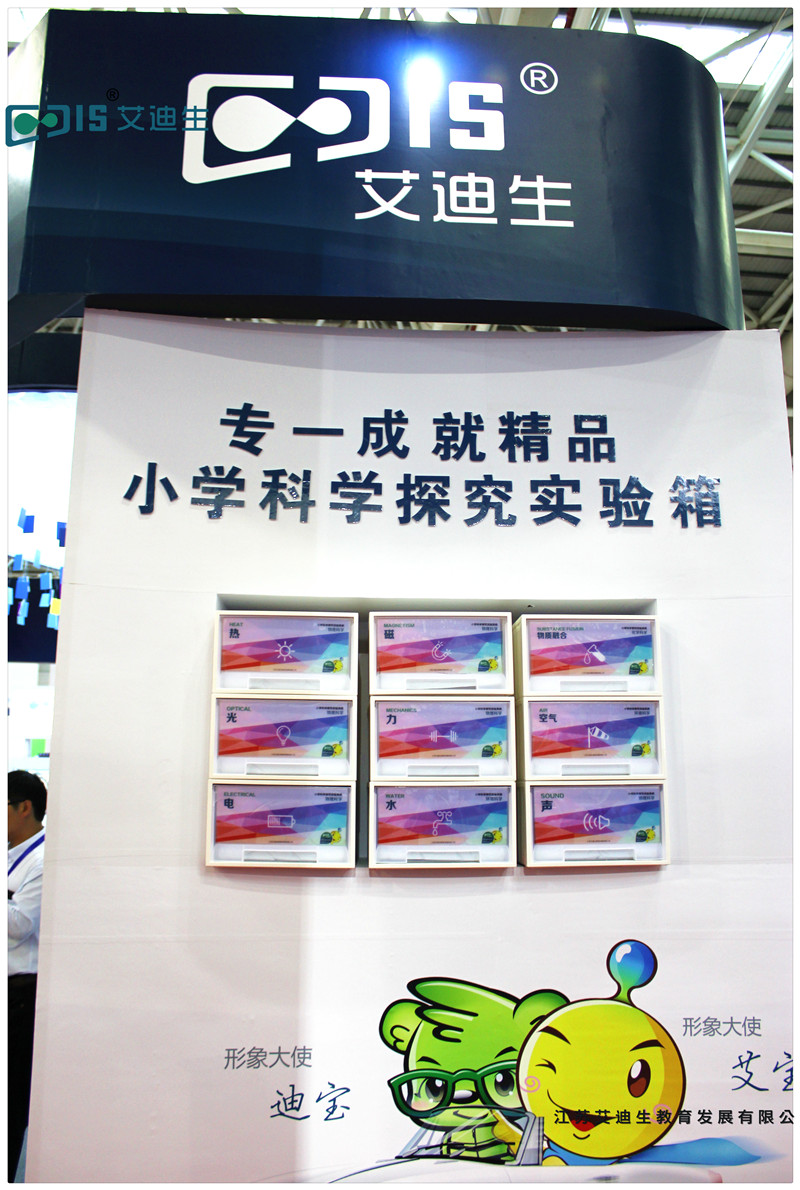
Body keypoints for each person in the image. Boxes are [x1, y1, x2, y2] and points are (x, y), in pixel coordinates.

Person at [8, 770, 47, 1181]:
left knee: (11, 1100)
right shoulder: (10, 851)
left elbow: (20, 924)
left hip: (19, 995)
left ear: (24, 808)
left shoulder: (42, 858)